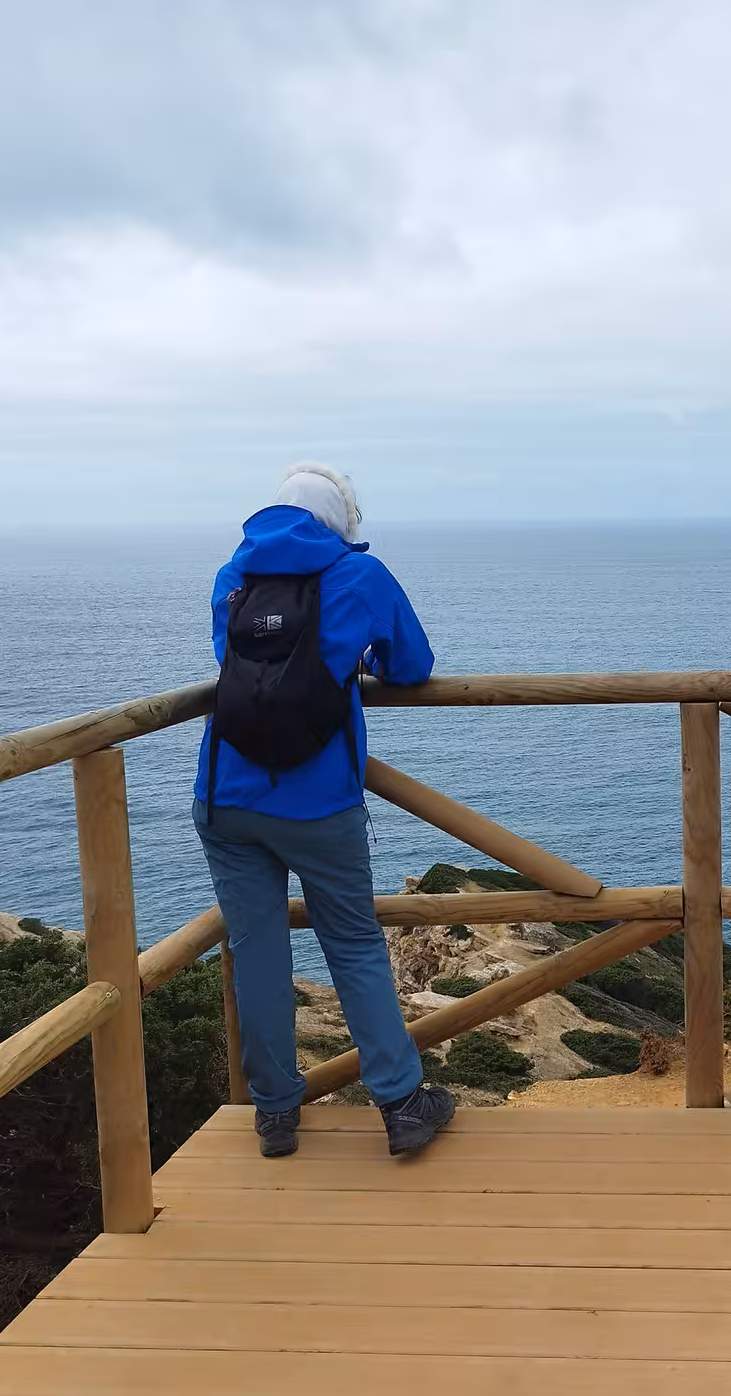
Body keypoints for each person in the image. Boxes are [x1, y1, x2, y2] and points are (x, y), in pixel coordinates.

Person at [192, 462, 455, 1159]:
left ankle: (275, 1114)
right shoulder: (359, 575)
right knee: (355, 946)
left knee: (256, 952)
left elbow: (235, 664)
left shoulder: (233, 577)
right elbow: (413, 665)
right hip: (318, 803)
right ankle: (401, 1104)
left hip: (224, 795)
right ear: (341, 520)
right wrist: (359, 657)